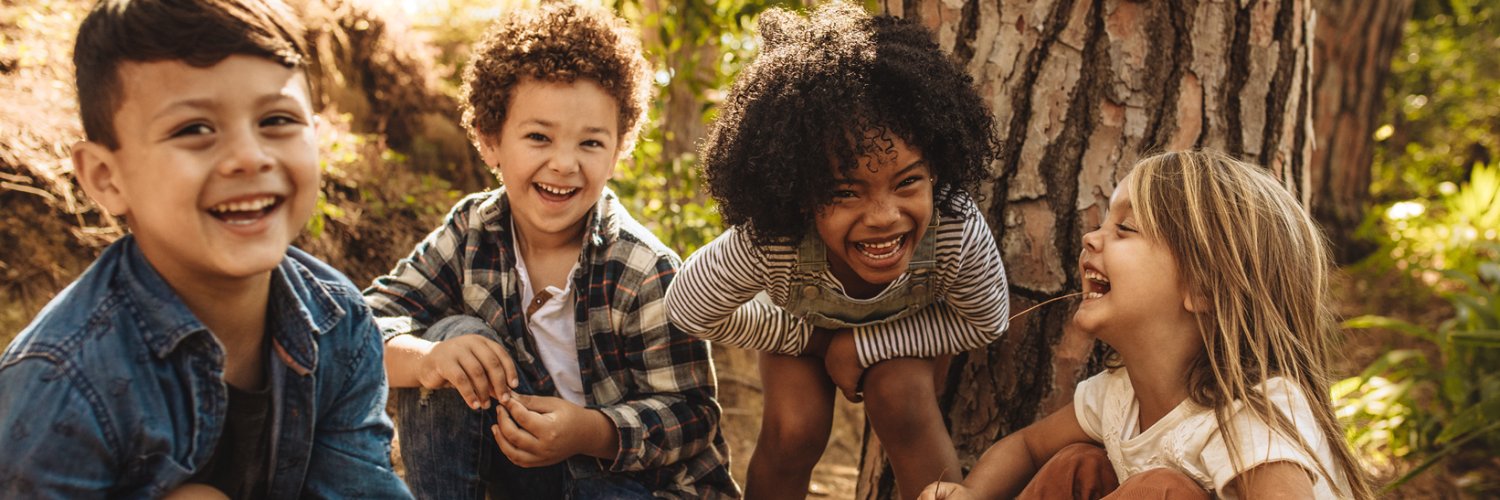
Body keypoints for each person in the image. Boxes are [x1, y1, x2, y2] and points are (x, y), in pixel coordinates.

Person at [0, 0, 411, 498]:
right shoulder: (62, 382)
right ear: (107, 178)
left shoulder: (337, 318)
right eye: (194, 129)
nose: (249, 157)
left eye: (277, 120)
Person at [362, 3, 737, 498]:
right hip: (527, 477)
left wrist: (588, 431)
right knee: (456, 340)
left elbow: (693, 415)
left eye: (590, 143)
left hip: (638, 485)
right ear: (490, 140)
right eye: (539, 136)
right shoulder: (474, 231)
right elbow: (358, 329)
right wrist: (427, 358)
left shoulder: (644, 269)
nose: (563, 163)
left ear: (619, 149)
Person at [663, 3, 1010, 499]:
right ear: (801, 195)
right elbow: (688, 306)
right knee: (794, 429)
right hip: (802, 329)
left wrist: (863, 344)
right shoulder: (775, 239)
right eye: (847, 192)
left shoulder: (955, 228)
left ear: (936, 167)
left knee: (901, 398)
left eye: (908, 181)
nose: (884, 215)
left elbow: (986, 321)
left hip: (905, 334)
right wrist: (813, 340)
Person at [918, 150, 1375, 500]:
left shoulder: (1253, 415)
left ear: (1203, 288)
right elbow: (1029, 448)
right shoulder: (1118, 397)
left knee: (1158, 491)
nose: (1091, 238)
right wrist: (973, 494)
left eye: (1126, 229)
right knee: (1078, 465)